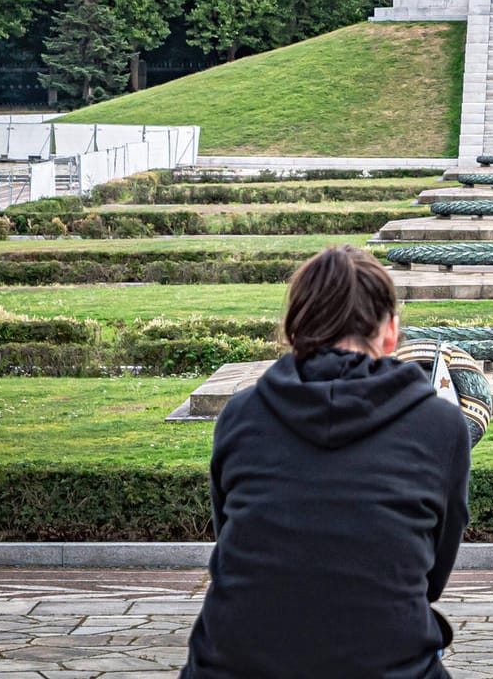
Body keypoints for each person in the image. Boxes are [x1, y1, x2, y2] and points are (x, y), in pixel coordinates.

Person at [180, 246, 470, 679]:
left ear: (295, 330)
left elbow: (233, 542)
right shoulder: (441, 423)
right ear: (391, 333)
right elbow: (431, 577)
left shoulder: (241, 415)